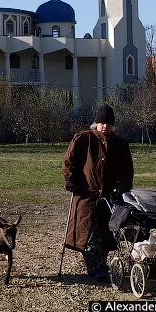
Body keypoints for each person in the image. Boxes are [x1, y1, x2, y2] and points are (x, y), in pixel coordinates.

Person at [62, 104, 134, 281]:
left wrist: (123, 188)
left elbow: (127, 170)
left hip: (109, 197)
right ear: (96, 123)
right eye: (101, 123)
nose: (105, 127)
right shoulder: (83, 139)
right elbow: (68, 160)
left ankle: (101, 265)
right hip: (87, 195)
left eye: (108, 124)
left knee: (107, 234)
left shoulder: (120, 144)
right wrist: (70, 180)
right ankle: (96, 268)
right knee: (89, 234)